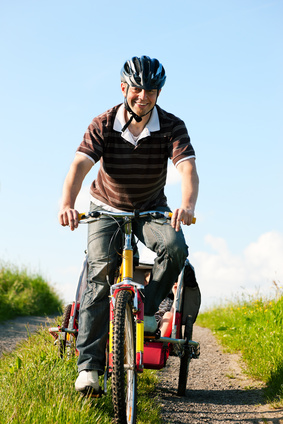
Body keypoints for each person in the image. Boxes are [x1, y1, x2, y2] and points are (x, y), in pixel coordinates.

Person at [58, 55, 199, 395]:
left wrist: (188, 205)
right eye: (137, 88)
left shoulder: (171, 126)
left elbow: (187, 169)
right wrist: (67, 204)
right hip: (106, 208)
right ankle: (89, 368)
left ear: (158, 93)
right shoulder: (104, 123)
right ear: (124, 88)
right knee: (98, 272)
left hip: (151, 210)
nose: (144, 95)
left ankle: (147, 311)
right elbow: (79, 165)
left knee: (175, 248)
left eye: (151, 89)